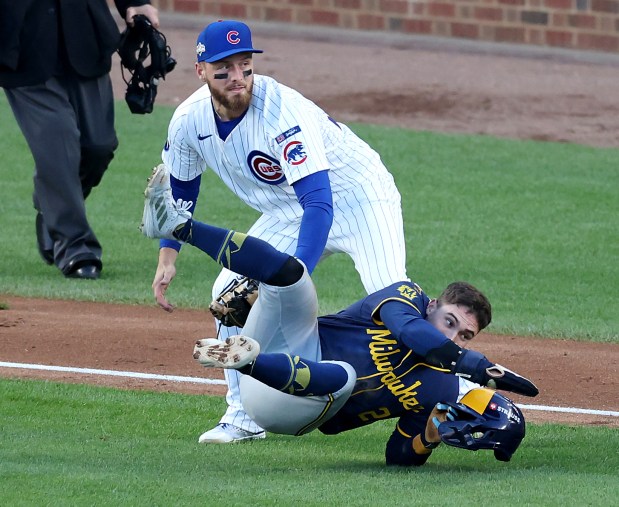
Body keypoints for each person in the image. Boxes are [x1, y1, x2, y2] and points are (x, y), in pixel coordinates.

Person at [140, 164, 538, 463]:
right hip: (293, 342)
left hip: (287, 407)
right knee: (293, 274)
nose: (453, 338)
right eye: (450, 323)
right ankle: (178, 225)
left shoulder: (440, 389)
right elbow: (413, 334)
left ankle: (246, 361)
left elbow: (397, 456)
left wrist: (428, 437)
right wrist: (477, 364)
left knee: (343, 376)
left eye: (464, 336)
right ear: (432, 305)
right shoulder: (404, 298)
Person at [152, 19, 409, 442]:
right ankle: (243, 416)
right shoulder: (187, 120)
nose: (237, 77)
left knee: (394, 300)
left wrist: (292, 281)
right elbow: (182, 186)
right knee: (227, 294)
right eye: (224, 69)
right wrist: (168, 255)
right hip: (289, 210)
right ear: (200, 71)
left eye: (245, 65)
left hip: (358, 196)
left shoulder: (282, 113)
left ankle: (455, 393)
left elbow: (320, 204)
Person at [0, 0, 159, 279]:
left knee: (99, 146)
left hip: (84, 35)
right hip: (20, 44)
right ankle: (76, 247)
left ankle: (53, 207)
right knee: (58, 149)